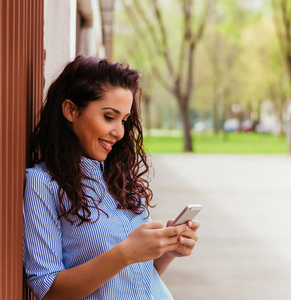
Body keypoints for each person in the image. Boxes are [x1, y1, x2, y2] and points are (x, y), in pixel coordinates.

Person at [23, 55, 200, 300]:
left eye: (124, 120)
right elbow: (50, 290)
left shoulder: (118, 177)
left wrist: (167, 250)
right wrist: (126, 252)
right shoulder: (43, 184)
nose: (119, 132)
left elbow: (135, 275)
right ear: (71, 110)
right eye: (109, 117)